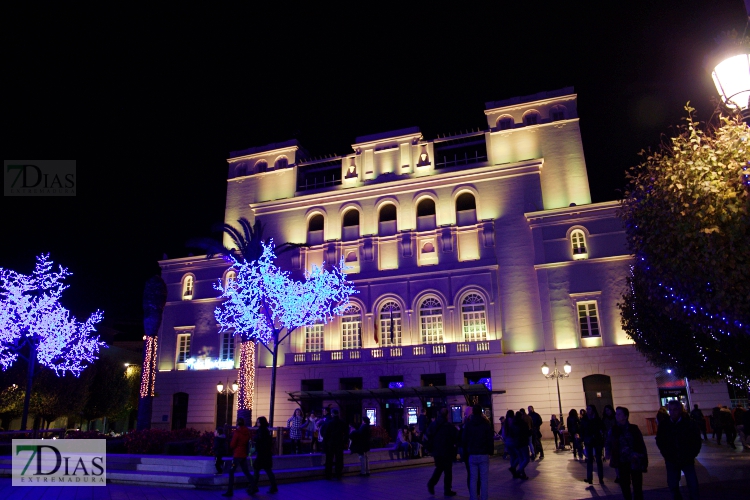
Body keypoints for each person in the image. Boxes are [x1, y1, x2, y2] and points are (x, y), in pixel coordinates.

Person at [656, 400, 701, 500]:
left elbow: (696, 440)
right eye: (670, 410)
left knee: (693, 485)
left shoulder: (688, 423)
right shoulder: (665, 424)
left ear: (680, 410)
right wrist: (666, 454)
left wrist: (692, 454)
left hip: (687, 459)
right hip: (671, 459)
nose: (672, 412)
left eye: (675, 410)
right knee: (673, 485)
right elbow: (660, 440)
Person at [605, 406, 647, 500]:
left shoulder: (633, 428)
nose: (617, 416)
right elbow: (608, 442)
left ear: (625, 416)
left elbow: (641, 444)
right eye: (616, 414)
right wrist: (608, 452)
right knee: (624, 485)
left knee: (637, 485)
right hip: (622, 461)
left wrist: (643, 459)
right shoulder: (614, 430)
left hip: (634, 460)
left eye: (619, 414)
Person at [462, 405, 494, 500]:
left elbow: (464, 440)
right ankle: (484, 497)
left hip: (472, 454)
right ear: (481, 412)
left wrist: (465, 452)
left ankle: (473, 497)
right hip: (483, 454)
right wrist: (490, 451)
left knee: (473, 479)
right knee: (484, 479)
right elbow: (489, 439)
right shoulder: (485, 424)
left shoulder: (468, 425)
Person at [426, 407, 458, 496]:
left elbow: (428, 435)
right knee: (448, 471)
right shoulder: (449, 426)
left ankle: (431, 483)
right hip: (447, 451)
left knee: (439, 468)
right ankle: (447, 490)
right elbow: (456, 437)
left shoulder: (433, 424)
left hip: (436, 451)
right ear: (447, 415)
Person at [222, 417, 254, 497]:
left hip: (237, 456)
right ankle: (254, 486)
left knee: (231, 471)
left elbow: (232, 445)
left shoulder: (237, 433)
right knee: (246, 471)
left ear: (237, 423)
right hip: (244, 455)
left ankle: (230, 491)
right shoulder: (247, 432)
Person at [247, 416, 278, 495]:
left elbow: (260, 442)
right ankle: (273, 486)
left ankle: (254, 487)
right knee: (268, 470)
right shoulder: (266, 431)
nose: (257, 423)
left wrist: (254, 448)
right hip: (266, 454)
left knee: (257, 470)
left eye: (258, 422)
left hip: (261, 454)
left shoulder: (260, 431)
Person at [581, 404, 605, 485]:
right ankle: (589, 478)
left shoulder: (597, 419)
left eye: (589, 409)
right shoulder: (584, 419)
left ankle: (600, 478)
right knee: (589, 459)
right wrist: (582, 438)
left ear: (593, 410)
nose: (588, 411)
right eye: (587, 409)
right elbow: (582, 429)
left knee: (598, 459)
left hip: (597, 440)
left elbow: (601, 428)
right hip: (588, 440)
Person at [321, 408, 348, 480]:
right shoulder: (342, 422)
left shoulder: (328, 423)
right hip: (339, 443)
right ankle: (338, 474)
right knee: (339, 459)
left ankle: (328, 475)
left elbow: (324, 433)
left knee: (329, 459)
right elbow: (346, 433)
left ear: (332, 414)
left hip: (330, 443)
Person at [601, 405, 618, 483]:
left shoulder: (616, 418)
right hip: (609, 439)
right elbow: (603, 429)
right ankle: (618, 475)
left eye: (609, 410)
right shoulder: (604, 419)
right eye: (606, 410)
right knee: (614, 458)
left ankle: (620, 475)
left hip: (616, 439)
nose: (608, 412)